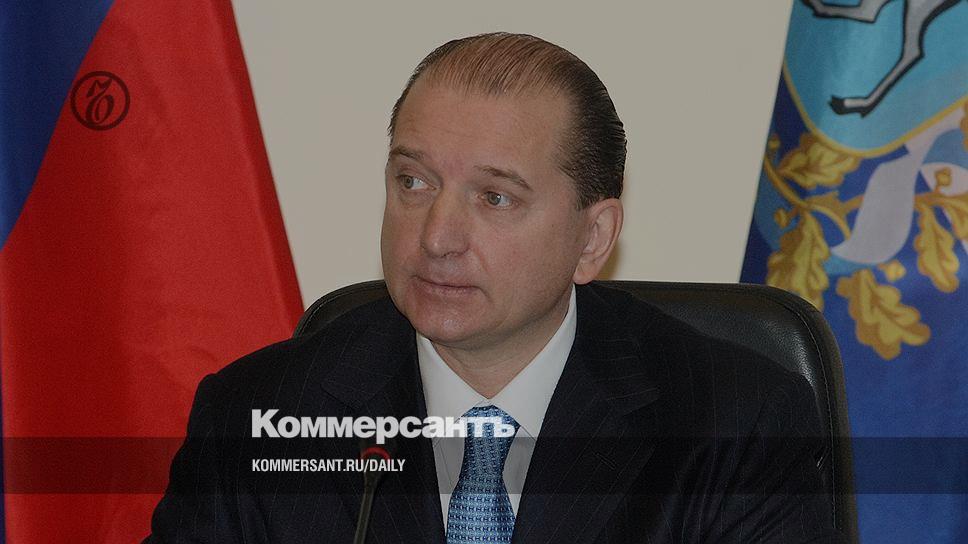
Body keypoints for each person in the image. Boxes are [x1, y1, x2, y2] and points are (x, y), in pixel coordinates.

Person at [145, 33, 843, 543]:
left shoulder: (736, 425)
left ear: (592, 238)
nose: (437, 236)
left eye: (495, 197)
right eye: (413, 182)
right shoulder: (256, 416)